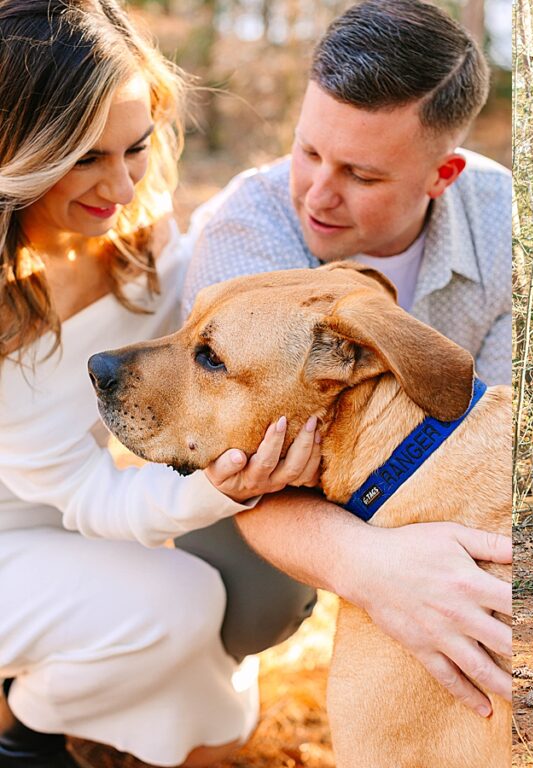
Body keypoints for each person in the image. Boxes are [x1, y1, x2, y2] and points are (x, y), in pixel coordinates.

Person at [0, 1, 332, 765]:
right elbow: (94, 497)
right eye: (84, 158)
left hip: (65, 533)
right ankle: (27, 723)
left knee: (223, 701)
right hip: (18, 537)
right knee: (179, 607)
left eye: (136, 148)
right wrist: (225, 486)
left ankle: (85, 689)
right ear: (19, 150)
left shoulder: (144, 244)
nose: (119, 186)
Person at [180, 0, 513, 715]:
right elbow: (248, 469)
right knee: (251, 603)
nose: (319, 196)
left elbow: (495, 431)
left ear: (442, 173)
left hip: (447, 496)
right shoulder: (247, 230)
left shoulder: (506, 224)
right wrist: (372, 568)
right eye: (308, 152)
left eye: (362, 176)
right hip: (279, 492)